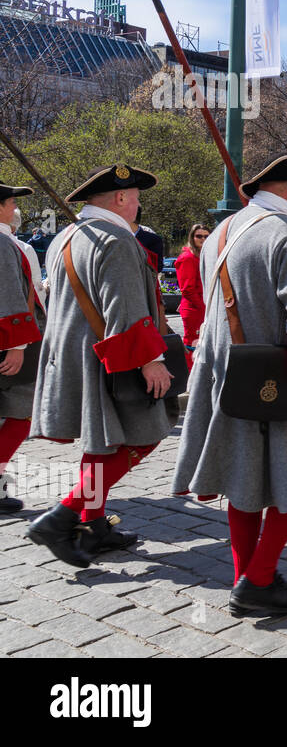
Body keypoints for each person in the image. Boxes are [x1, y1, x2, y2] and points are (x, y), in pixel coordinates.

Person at [173, 153, 287, 616]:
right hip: (276, 378)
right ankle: (258, 578)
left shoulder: (222, 233)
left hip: (224, 375)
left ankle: (244, 578)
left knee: (243, 478)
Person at [27, 165, 175, 568]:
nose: (139, 203)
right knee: (145, 435)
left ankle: (93, 525)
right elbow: (124, 309)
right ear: (121, 198)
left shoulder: (65, 237)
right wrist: (151, 361)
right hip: (112, 357)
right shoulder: (115, 240)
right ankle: (63, 515)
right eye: (136, 196)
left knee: (101, 443)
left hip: (74, 354)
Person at [0, 184, 43, 514]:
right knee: (23, 413)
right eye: (12, 201)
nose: (15, 207)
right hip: (8, 342)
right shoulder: (2, 241)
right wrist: (17, 345)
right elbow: (12, 293)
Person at [176, 223, 210, 360]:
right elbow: (187, 290)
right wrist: (203, 308)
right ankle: (190, 377)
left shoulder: (203, 256)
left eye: (206, 236)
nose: (203, 239)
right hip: (195, 309)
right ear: (192, 237)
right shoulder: (188, 258)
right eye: (199, 236)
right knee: (193, 344)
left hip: (203, 307)